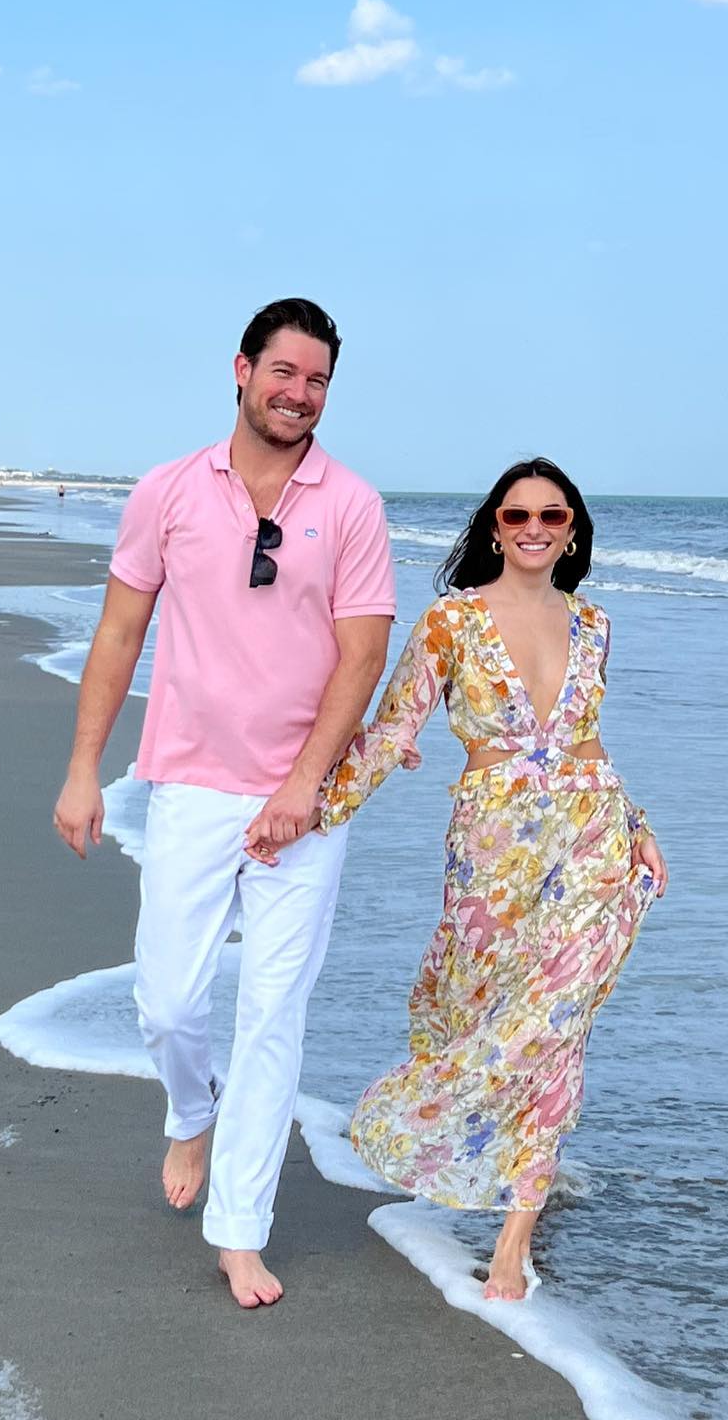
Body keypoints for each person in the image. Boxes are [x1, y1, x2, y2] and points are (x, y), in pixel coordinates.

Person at [52, 298, 394, 1308]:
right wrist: (83, 768)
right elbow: (118, 635)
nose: (300, 393)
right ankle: (188, 1106)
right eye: (285, 372)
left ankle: (240, 1229)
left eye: (319, 380)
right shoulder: (167, 492)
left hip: (309, 802)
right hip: (191, 783)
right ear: (242, 371)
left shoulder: (355, 506)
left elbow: (363, 653)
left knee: (274, 1013)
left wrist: (303, 787)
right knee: (166, 1000)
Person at [281, 459, 667, 1301]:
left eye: (553, 515)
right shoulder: (451, 621)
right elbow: (390, 730)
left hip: (592, 842)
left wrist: (638, 828)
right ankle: (472, 1142)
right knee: (488, 1016)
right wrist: (314, 804)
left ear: (573, 529)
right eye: (518, 513)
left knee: (558, 1020)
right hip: (491, 856)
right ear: (494, 525)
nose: (535, 528)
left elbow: (590, 743)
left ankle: (515, 1231)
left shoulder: (597, 625)